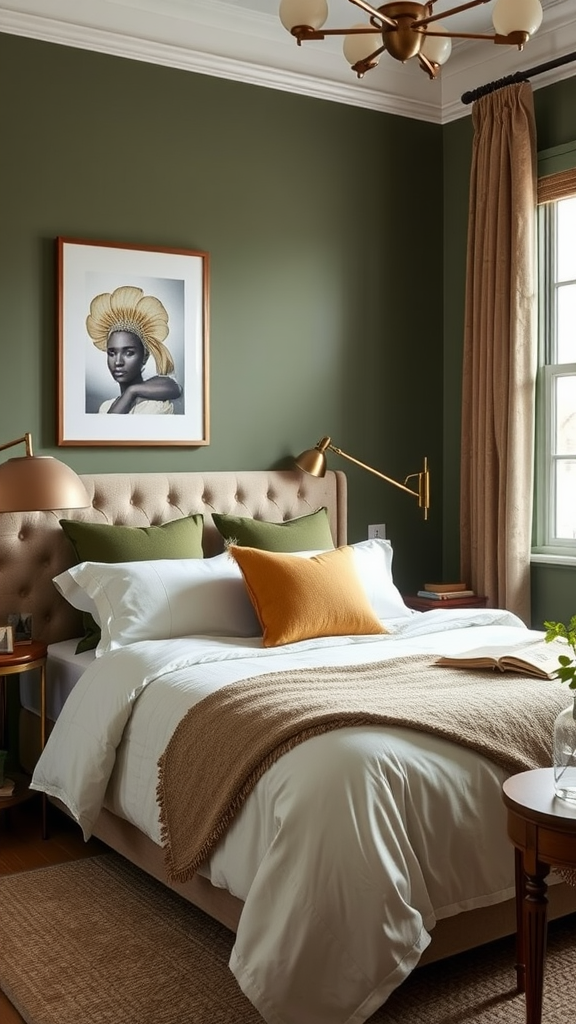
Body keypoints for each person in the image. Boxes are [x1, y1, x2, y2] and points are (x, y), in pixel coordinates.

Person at [86, 285, 182, 414]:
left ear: (145, 356)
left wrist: (132, 391)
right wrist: (130, 394)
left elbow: (175, 388)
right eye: (112, 353)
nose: (118, 362)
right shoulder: (105, 407)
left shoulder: (156, 407)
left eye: (129, 353)